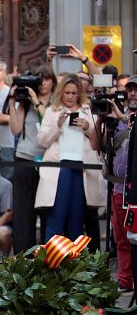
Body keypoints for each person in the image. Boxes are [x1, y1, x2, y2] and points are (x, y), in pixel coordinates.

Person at [35, 74, 105, 239]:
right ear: (61, 92)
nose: (70, 96)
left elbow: (99, 142)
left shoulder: (88, 110)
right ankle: (51, 262)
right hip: (59, 168)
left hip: (83, 169)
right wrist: (57, 126)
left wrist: (88, 127)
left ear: (79, 93)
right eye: (67, 93)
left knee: (77, 221)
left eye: (74, 93)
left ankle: (75, 262)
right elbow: (41, 141)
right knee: (56, 220)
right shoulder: (52, 111)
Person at [8, 66, 56, 252]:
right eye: (39, 79)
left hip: (49, 160)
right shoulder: (25, 102)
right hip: (25, 158)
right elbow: (15, 129)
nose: (43, 83)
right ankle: (23, 256)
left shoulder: (56, 102)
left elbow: (50, 122)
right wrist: (13, 102)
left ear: (53, 81)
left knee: (46, 210)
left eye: (47, 79)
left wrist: (37, 102)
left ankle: (47, 254)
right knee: (23, 212)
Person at [105, 77, 137, 291]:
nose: (133, 94)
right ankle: (125, 280)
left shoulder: (127, 119)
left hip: (135, 189)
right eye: (130, 90)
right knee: (121, 236)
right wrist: (101, 121)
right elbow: (98, 144)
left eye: (136, 90)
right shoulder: (116, 119)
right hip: (118, 187)